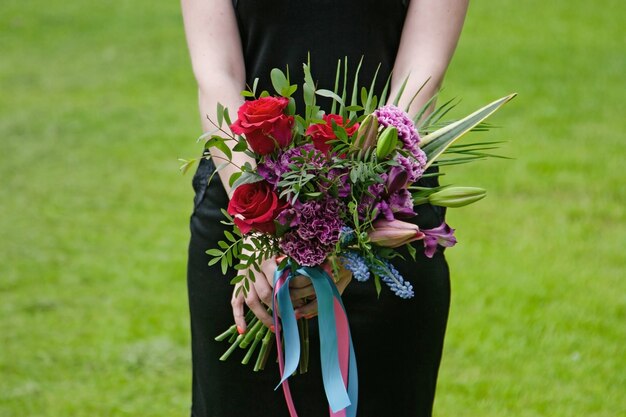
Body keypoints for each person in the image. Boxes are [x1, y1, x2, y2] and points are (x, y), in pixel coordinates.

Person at [181, 1, 469, 416]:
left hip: (387, 220)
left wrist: (352, 228)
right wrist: (261, 228)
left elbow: (420, 75)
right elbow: (216, 76)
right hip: (240, 215)